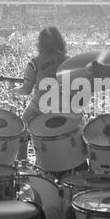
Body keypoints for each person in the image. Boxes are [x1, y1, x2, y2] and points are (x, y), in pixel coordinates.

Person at [12, 26, 69, 162]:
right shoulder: (69, 61)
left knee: (21, 127)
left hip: (39, 107)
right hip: (64, 107)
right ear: (60, 41)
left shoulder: (34, 63)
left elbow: (26, 90)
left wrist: (14, 89)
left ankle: (22, 162)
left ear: (40, 43)